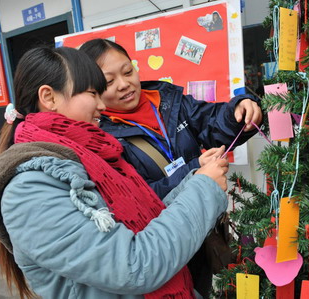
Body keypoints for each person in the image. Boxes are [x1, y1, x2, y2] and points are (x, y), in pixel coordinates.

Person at [0, 46, 229, 299]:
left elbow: (145, 217)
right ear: (49, 97)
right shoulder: (29, 191)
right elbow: (133, 267)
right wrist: (203, 190)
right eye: (92, 93)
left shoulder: (92, 158)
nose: (102, 105)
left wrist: (194, 180)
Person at [79, 38, 263, 297]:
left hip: (203, 225)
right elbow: (136, 197)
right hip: (163, 241)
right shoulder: (101, 138)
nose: (124, 85)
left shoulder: (166, 99)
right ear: (93, 91)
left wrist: (238, 110)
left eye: (128, 71)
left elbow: (209, 121)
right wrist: (193, 169)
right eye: (109, 82)